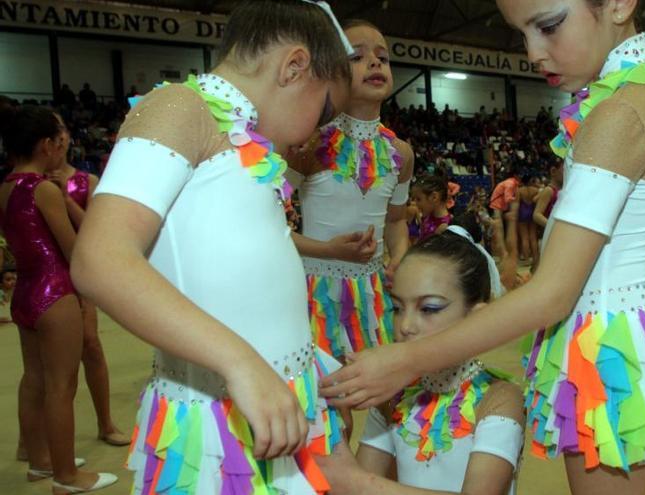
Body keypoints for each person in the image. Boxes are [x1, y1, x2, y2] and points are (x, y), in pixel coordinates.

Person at [322, 1, 645, 493]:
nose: (532, 52)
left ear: (618, 4)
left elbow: (552, 294)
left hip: (608, 342)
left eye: (549, 25)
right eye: (522, 33)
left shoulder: (619, 111)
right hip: (625, 330)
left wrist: (407, 360)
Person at [70, 1, 355, 493]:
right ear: (294, 67)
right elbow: (100, 260)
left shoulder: (244, 137)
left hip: (268, 397)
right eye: (326, 109)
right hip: (218, 413)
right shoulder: (181, 106)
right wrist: (242, 364)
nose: (321, 129)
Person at [319, 231, 524, 494]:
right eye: (397, 308)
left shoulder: (499, 399)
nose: (405, 326)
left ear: (477, 320)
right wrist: (339, 433)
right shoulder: (392, 396)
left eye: (429, 309)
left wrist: (356, 482)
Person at [0, 106, 117, 493]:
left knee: (33, 379)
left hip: (25, 294)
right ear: (47, 145)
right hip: (55, 292)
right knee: (61, 386)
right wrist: (68, 204)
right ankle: (67, 475)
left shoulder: (6, 187)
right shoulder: (45, 189)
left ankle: (40, 462)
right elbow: (74, 247)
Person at [289, 19, 414, 360]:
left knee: (388, 390)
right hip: (317, 293)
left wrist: (399, 256)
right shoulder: (308, 143)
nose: (375, 63)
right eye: (357, 57)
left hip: (374, 292)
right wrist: (328, 251)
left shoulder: (400, 153)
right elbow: (267, 226)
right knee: (332, 397)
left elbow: (395, 222)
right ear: (332, 71)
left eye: (383, 58)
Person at [47, 159, 130, 447]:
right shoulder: (34, 184)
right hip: (48, 271)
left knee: (91, 345)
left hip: (78, 266)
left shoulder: (87, 181)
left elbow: (94, 227)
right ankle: (35, 441)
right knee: (47, 364)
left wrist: (66, 199)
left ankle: (105, 423)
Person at [489, 167, 521, 288]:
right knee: (499, 229)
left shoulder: (511, 182)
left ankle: (503, 254)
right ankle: (502, 253)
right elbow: (508, 197)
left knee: (500, 229)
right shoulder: (511, 183)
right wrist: (515, 200)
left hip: (498, 204)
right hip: (497, 204)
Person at [412, 175, 452, 241]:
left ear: (434, 197)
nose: (415, 203)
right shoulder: (427, 217)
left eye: (418, 199)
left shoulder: (445, 227)